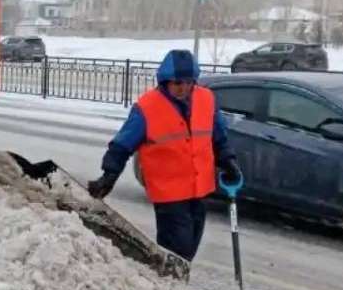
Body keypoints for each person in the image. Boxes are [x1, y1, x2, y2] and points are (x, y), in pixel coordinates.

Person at [87, 50, 241, 264]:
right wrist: (109, 175)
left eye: (189, 83)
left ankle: (170, 286)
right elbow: (122, 145)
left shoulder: (206, 99)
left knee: (189, 249)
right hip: (168, 194)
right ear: (165, 81)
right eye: (178, 83)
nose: (184, 88)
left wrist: (228, 160)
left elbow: (218, 136)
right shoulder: (147, 108)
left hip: (199, 188)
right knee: (177, 250)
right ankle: (167, 287)